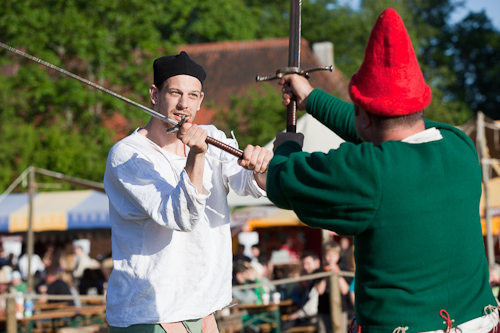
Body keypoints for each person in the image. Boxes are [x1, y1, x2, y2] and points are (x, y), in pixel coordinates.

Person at [268, 7, 498, 332]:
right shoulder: (459, 144)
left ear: (364, 114)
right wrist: (312, 98)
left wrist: (285, 147)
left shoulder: (367, 169)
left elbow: (284, 181)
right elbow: (383, 125)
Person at [104, 51, 272, 332]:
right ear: (154, 95)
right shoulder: (128, 155)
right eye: (175, 93)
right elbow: (179, 216)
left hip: (202, 306)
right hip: (150, 311)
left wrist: (261, 164)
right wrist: (197, 155)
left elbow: (253, 185)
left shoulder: (213, 136)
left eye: (193, 95)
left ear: (201, 100)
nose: (184, 104)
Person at [283, 250, 323, 331]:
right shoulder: (310, 279)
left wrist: (298, 314)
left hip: (316, 318)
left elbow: (312, 308)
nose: (305, 267)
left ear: (317, 262)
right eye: (304, 264)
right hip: (310, 316)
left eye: (308, 263)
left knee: (286, 327)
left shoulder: (319, 276)